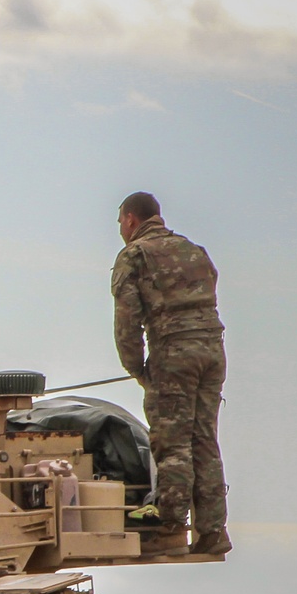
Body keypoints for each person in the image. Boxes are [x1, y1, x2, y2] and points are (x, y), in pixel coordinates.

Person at [111, 191, 229, 555]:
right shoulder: (194, 250)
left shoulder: (134, 255)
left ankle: (171, 524)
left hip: (174, 355)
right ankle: (212, 531)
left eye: (120, 222)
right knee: (203, 439)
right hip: (212, 350)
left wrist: (137, 368)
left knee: (172, 440)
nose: (120, 229)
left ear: (131, 219)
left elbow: (127, 321)